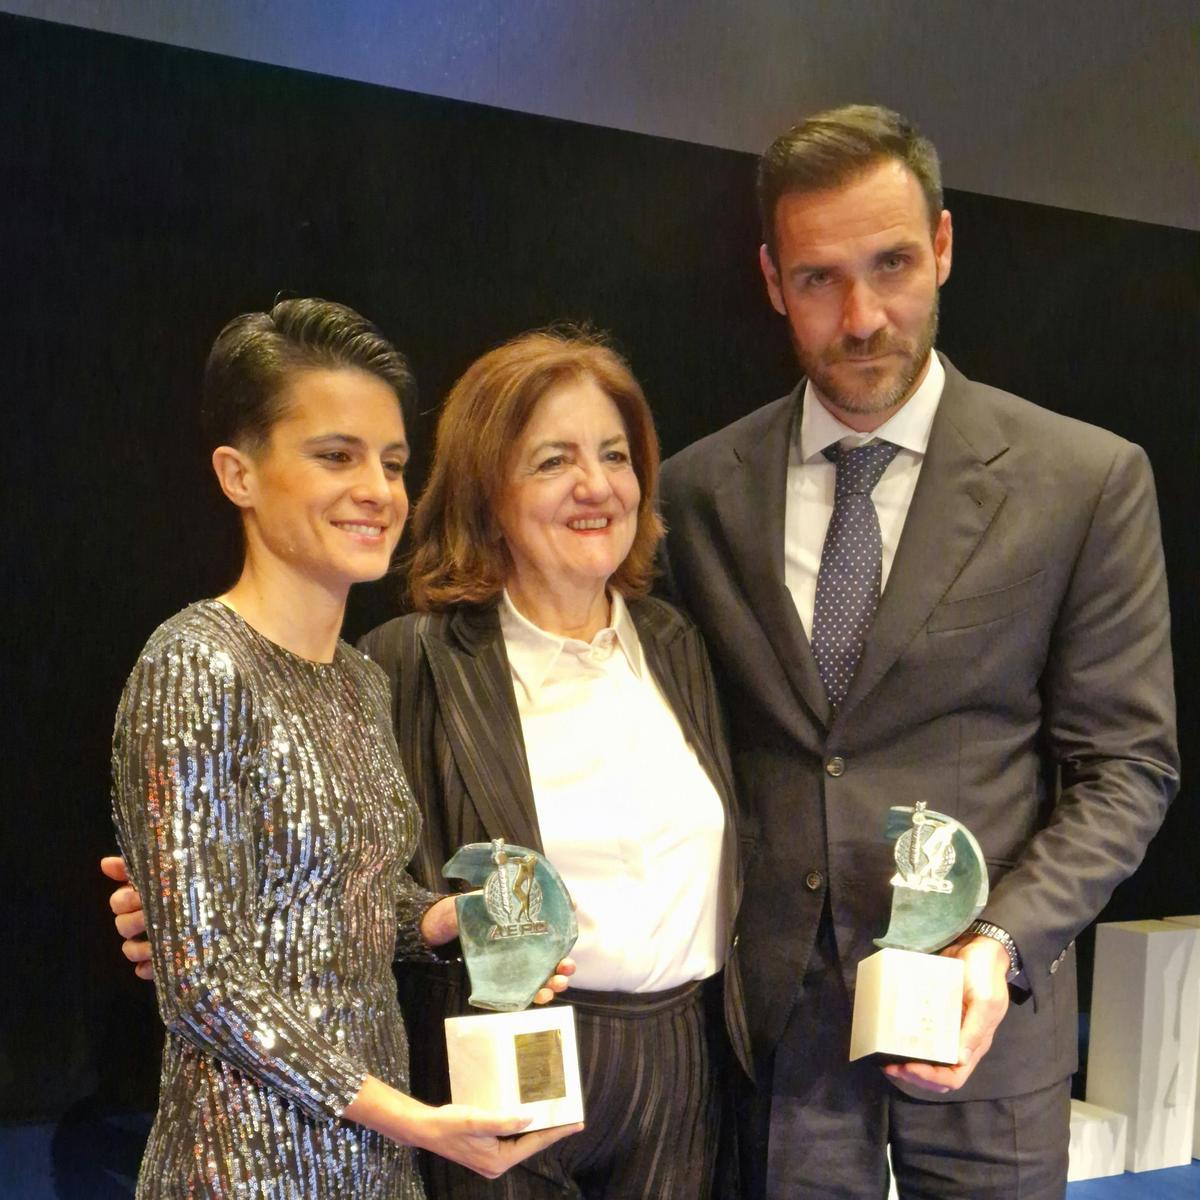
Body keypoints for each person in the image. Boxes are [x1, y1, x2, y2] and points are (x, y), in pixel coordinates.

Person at [657, 104, 1179, 1197]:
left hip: (987, 1011)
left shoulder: (1083, 480)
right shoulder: (698, 493)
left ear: (942, 246)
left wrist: (1000, 943)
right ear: (771, 279)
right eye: (818, 279)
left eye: (892, 264)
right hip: (781, 1032)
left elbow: (1125, 767)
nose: (860, 317)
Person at [108, 298, 578, 1199]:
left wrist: (454, 922)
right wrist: (418, 1122)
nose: (379, 489)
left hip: (373, 1159)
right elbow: (204, 985)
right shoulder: (195, 666)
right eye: (336, 455)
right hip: (241, 1168)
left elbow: (344, 908)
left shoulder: (362, 679)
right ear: (238, 475)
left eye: (393, 462)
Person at [359, 329, 751, 1199]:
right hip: (501, 1055)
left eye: (615, 455)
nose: (596, 485)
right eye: (553, 461)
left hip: (682, 1063)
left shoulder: (681, 646)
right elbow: (353, 887)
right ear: (485, 488)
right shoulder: (409, 661)